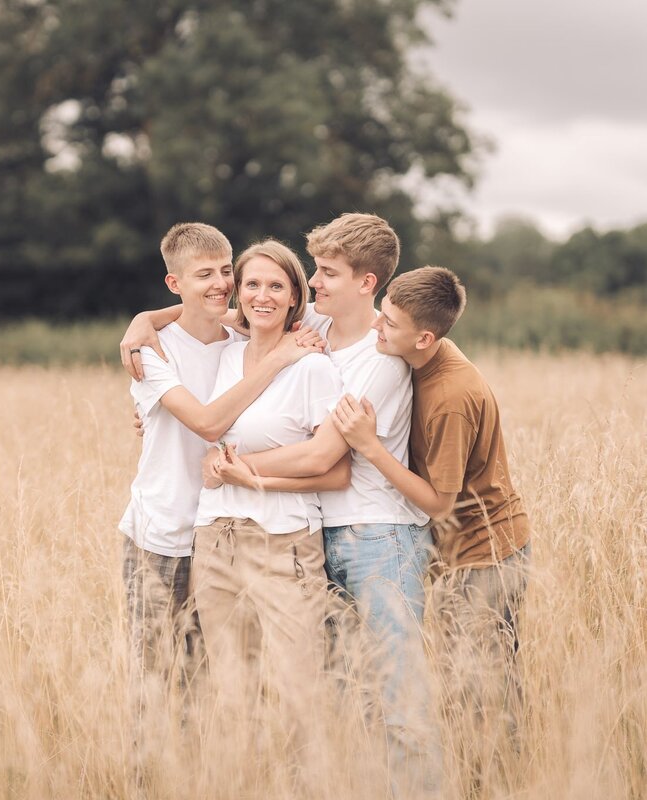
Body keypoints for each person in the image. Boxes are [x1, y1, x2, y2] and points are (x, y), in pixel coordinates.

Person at [205, 213, 442, 797]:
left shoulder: (382, 359)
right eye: (313, 271)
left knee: (397, 695)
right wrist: (140, 325)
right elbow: (242, 303)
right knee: (338, 689)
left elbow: (322, 457)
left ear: (367, 284)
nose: (314, 282)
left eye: (327, 273)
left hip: (379, 536)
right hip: (319, 534)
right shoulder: (315, 326)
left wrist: (236, 467)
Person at [118, 223, 323, 744]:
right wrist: (146, 320)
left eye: (225, 271)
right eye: (203, 274)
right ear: (174, 283)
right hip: (161, 536)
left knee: (213, 687)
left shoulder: (237, 335)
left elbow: (266, 305)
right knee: (155, 681)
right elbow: (208, 424)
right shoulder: (152, 352)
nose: (220, 283)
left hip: (220, 536)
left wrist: (150, 312)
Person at [331, 265, 532, 792]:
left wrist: (369, 446)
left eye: (389, 324)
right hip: (450, 553)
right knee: (458, 680)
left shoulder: (450, 396)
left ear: (424, 337)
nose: (377, 327)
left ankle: (496, 784)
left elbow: (441, 504)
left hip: (483, 554)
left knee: (485, 687)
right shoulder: (417, 352)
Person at [192, 239, 349, 766]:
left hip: (283, 545)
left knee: (296, 693)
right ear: (238, 292)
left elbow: (332, 464)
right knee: (234, 694)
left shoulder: (312, 367)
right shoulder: (224, 353)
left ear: (293, 297)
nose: (262, 295)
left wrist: (246, 471)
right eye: (252, 284)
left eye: (275, 285)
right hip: (216, 539)